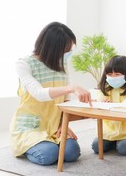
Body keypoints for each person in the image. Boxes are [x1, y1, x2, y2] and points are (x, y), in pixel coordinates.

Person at [10, 22, 92, 166]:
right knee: (49, 154)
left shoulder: (63, 65)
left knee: (72, 153)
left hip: (54, 126)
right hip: (31, 127)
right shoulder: (24, 64)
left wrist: (63, 124)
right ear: (53, 48)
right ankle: (26, 147)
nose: (68, 54)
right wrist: (72, 88)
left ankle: (47, 144)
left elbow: (65, 100)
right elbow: (39, 93)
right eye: (65, 50)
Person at [91, 55, 126, 156]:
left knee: (124, 149)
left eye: (117, 74)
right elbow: (99, 95)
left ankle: (122, 142)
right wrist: (102, 100)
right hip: (107, 131)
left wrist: (112, 106)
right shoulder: (105, 88)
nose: (113, 77)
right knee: (96, 147)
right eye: (110, 74)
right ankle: (112, 142)